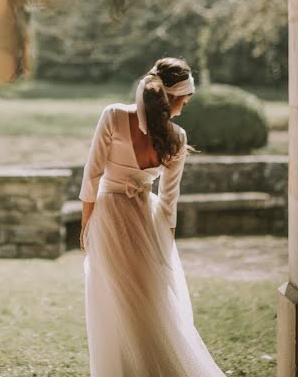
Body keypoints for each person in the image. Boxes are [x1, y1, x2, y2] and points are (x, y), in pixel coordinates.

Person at [79, 57, 225, 376]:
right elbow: (170, 201)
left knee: (113, 300)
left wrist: (86, 223)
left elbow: (92, 175)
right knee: (151, 302)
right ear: (174, 98)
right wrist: (162, 245)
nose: (183, 109)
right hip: (148, 217)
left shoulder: (114, 116)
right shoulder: (178, 138)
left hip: (108, 216)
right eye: (184, 101)